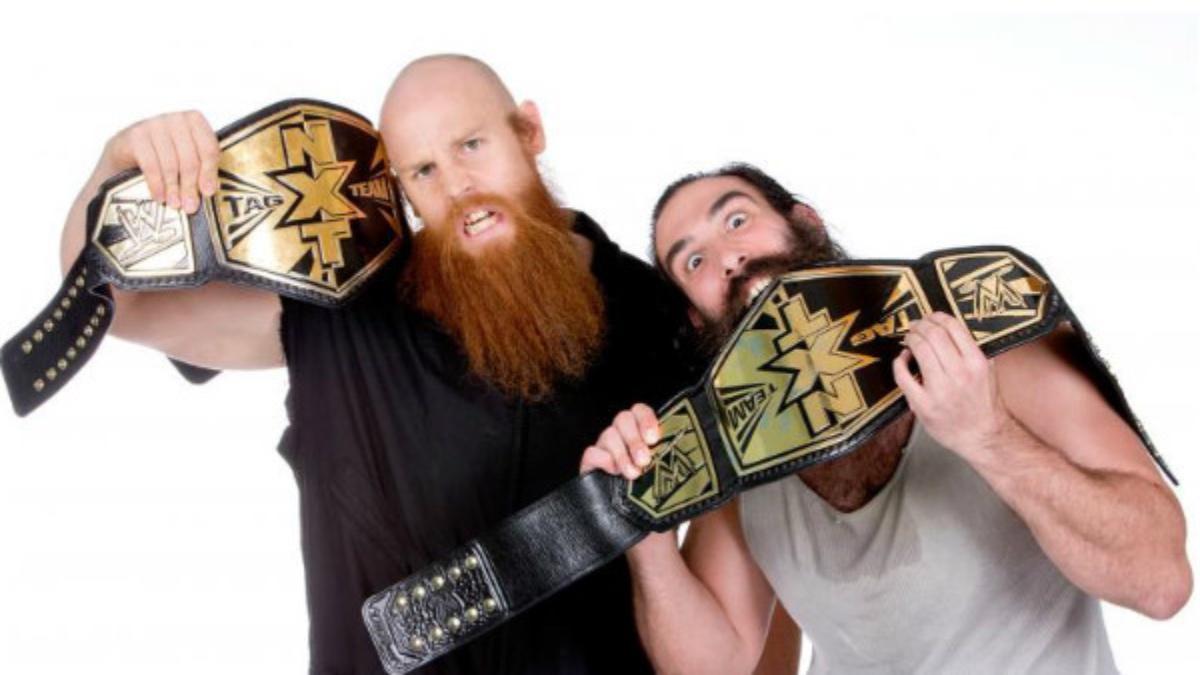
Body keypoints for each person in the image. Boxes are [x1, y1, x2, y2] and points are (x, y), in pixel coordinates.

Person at [52, 54, 702, 674]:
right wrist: (119, 163)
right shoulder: (343, 305)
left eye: (471, 146)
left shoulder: (652, 310)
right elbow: (118, 303)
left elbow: (742, 575)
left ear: (529, 130)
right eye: (421, 171)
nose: (457, 188)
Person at [580, 163, 1193, 674]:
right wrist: (644, 531)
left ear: (804, 223)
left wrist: (988, 437)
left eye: (737, 221)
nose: (729, 260)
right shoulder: (739, 458)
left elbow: (1159, 582)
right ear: (694, 317)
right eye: (693, 263)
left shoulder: (989, 348)